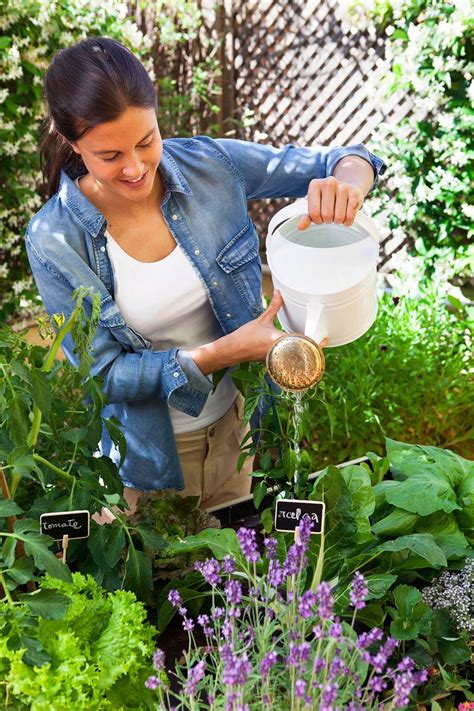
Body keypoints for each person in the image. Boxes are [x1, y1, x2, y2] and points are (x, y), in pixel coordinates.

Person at [26, 37, 386, 512]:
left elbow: (346, 159)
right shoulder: (55, 239)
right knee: (166, 582)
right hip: (149, 462)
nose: (136, 168)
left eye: (146, 141)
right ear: (73, 143)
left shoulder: (208, 166)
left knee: (234, 573)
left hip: (239, 433)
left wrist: (347, 186)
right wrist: (220, 354)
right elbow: (105, 376)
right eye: (109, 156)